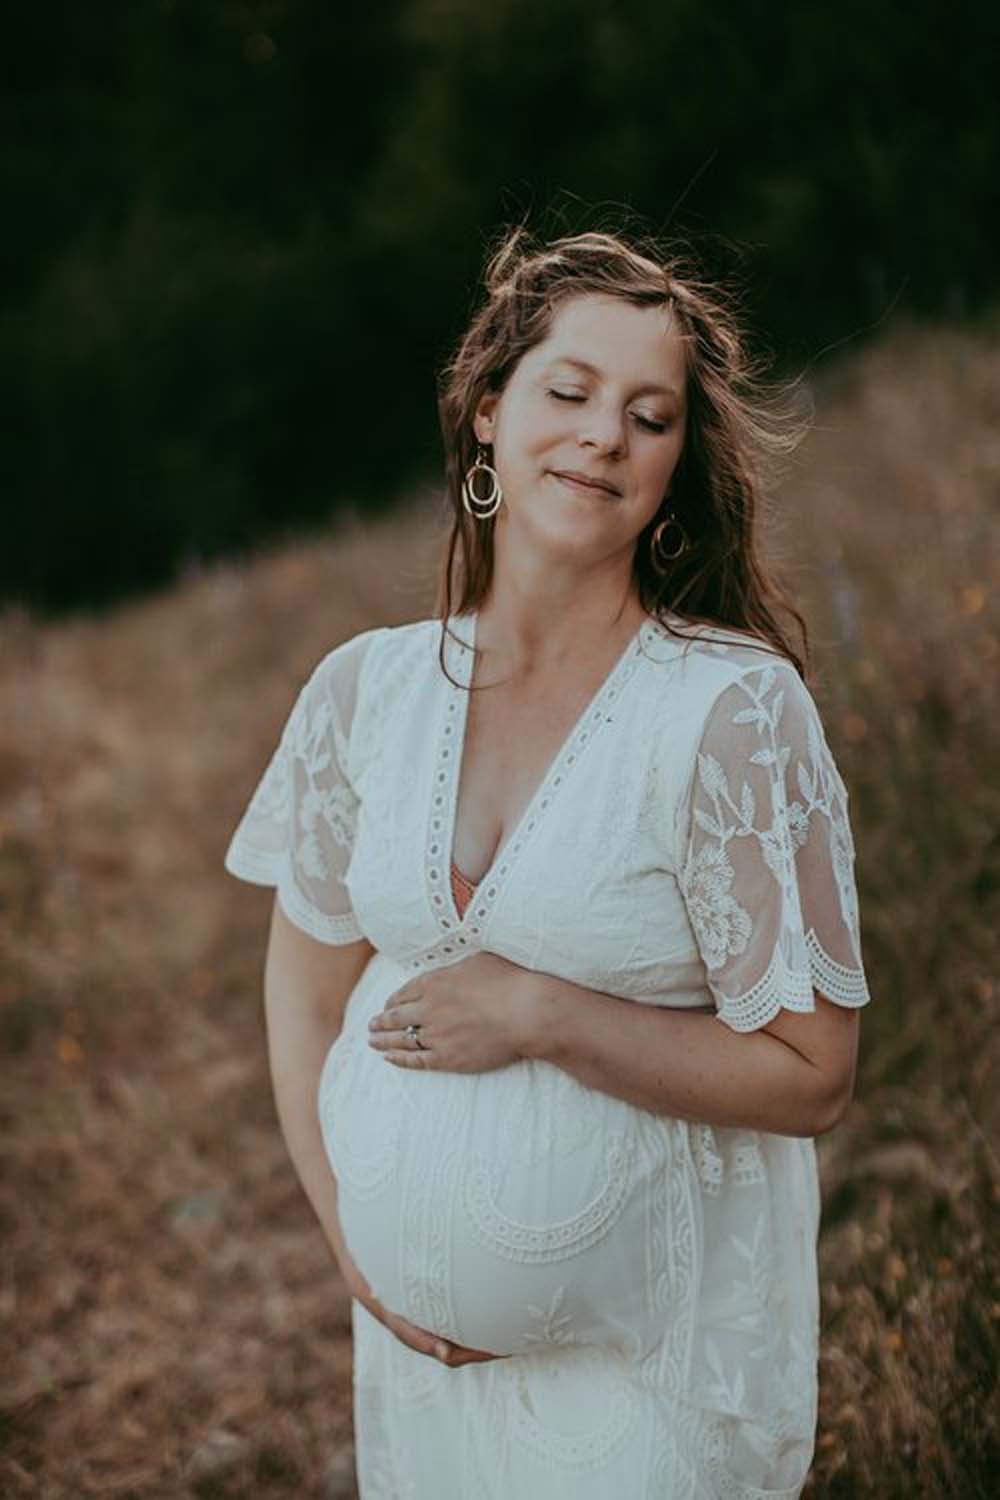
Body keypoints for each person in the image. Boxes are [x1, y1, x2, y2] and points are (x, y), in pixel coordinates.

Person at [223, 225, 872, 1498]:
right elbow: (302, 995)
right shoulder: (366, 690)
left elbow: (812, 1075)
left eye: (649, 416)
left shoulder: (728, 715)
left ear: (677, 465)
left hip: (650, 1375)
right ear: (486, 415)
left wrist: (540, 1012)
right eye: (567, 392)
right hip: (422, 1379)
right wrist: (351, 1240)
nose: (603, 437)